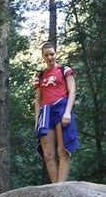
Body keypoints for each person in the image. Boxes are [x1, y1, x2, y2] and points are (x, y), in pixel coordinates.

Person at [34, 41, 79, 183]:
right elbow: (38, 100)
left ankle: (61, 187)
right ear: (43, 56)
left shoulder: (64, 70)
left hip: (61, 108)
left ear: (56, 54)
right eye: (46, 55)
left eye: (52, 54)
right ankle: (54, 188)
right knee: (48, 154)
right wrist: (37, 120)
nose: (50, 58)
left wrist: (67, 112)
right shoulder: (40, 75)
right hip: (45, 112)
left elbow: (72, 91)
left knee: (63, 150)